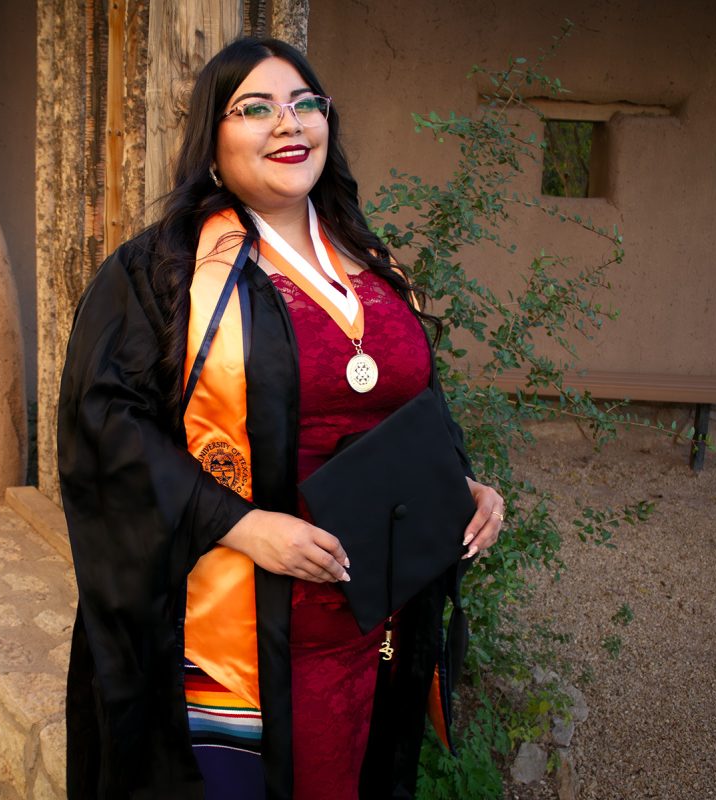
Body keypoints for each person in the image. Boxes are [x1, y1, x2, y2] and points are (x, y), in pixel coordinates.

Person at [57, 36, 504, 800]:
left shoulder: (371, 259)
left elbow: (417, 398)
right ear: (213, 139)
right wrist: (243, 525)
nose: (288, 124)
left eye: (305, 104)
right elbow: (107, 430)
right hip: (255, 626)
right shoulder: (162, 271)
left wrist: (461, 482)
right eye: (255, 108)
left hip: (381, 613)